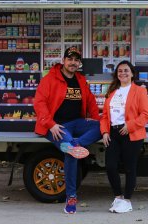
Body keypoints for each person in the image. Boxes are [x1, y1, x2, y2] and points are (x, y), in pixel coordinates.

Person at [34, 47, 101, 214]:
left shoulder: (80, 79)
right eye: (70, 59)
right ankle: (71, 197)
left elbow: (91, 101)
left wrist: (95, 119)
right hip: (57, 126)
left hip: (77, 123)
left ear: (79, 63)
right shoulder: (50, 79)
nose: (73, 63)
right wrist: (51, 124)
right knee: (71, 153)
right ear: (63, 60)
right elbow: (39, 103)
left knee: (103, 126)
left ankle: (75, 144)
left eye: (76, 60)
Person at [100, 60, 148, 214]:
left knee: (129, 168)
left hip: (131, 133)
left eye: (126, 70)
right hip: (113, 134)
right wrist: (105, 132)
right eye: (120, 71)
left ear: (132, 73)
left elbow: (145, 115)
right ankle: (118, 197)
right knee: (110, 166)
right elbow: (104, 116)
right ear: (117, 74)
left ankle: (127, 200)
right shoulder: (112, 92)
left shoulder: (139, 91)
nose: (123, 73)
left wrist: (130, 126)